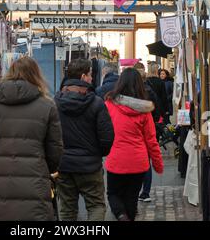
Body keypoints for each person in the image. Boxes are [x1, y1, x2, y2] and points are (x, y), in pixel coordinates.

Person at [0, 56, 63, 221]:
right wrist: (43, 168)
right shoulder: (47, 106)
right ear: (36, 75)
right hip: (35, 182)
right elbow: (55, 153)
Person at [55, 58, 114, 221]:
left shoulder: (56, 102)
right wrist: (97, 154)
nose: (92, 78)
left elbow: (51, 135)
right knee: (96, 205)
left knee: (67, 209)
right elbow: (107, 137)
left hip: (64, 165)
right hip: (89, 166)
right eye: (89, 75)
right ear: (82, 77)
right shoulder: (96, 102)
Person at [105, 67, 163, 221]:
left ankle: (121, 215)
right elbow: (151, 140)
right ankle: (127, 216)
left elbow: (103, 131)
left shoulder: (109, 105)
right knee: (132, 197)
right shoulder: (145, 110)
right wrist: (157, 164)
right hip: (138, 162)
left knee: (113, 193)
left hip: (116, 159)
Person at [134, 62, 161, 203]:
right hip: (148, 129)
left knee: (134, 159)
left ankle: (135, 190)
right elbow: (157, 109)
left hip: (133, 131)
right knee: (147, 161)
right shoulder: (149, 90)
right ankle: (146, 192)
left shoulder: (129, 93)